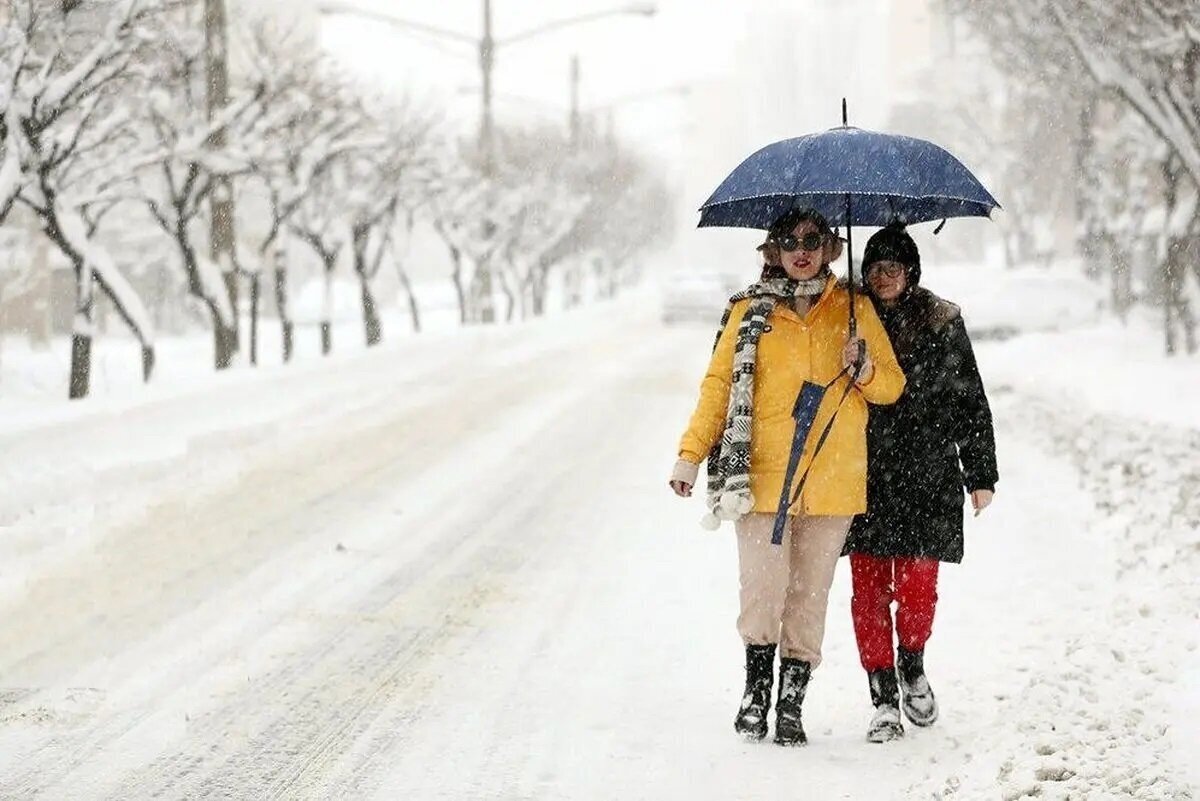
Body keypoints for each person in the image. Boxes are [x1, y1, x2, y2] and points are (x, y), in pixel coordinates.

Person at [668, 208, 905, 746]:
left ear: (828, 247)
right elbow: (719, 386)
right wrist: (690, 454)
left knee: (808, 596)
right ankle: (755, 695)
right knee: (763, 588)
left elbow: (891, 386)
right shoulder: (749, 312)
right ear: (773, 249)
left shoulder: (854, 310)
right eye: (790, 241)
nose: (803, 250)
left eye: (813, 240)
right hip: (762, 477)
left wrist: (864, 367)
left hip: (833, 478)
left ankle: (792, 702)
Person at [844, 224, 999, 743]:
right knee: (867, 590)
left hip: (926, 472)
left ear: (911, 271)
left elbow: (969, 400)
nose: (882, 277)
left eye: (892, 267)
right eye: (873, 268)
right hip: (862, 472)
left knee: (917, 587)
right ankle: (882, 694)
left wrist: (980, 473)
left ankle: (912, 663)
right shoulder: (850, 319)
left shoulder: (942, 321)